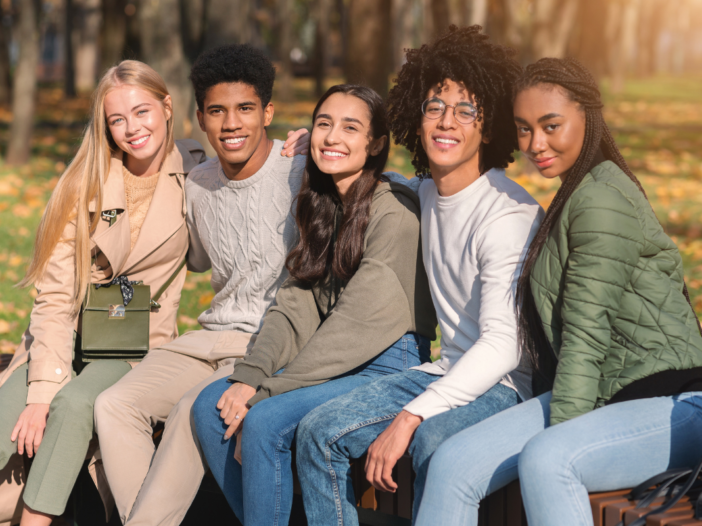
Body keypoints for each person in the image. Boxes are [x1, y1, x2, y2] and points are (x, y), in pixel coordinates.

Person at [414, 57, 702, 526]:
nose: (535, 144)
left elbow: (586, 341)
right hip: (607, 394)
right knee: (452, 463)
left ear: (588, 116)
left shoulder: (601, 200)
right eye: (524, 129)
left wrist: (564, 435)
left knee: (550, 460)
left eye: (551, 126)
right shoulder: (578, 190)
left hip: (670, 405)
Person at [295, 25, 544, 526]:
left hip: (506, 384)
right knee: (317, 434)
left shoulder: (507, 215)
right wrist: (314, 146)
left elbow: (502, 347)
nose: (446, 122)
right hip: (444, 370)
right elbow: (377, 178)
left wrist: (413, 415)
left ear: (487, 127)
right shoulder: (423, 193)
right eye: (435, 107)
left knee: (432, 437)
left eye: (465, 110)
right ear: (417, 116)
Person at [191, 83, 436, 526]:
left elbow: (355, 325)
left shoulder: (393, 214)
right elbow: (294, 303)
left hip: (386, 364)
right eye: (324, 124)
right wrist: (249, 376)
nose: (332, 137)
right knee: (212, 406)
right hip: (334, 360)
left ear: (375, 143)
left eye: (350, 127)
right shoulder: (324, 206)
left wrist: (265, 392)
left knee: (264, 421)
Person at [92, 44, 310, 526]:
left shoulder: (301, 171)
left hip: (268, 344)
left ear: (268, 112)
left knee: (194, 411)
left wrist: (318, 139)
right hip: (207, 337)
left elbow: (374, 175)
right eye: (217, 111)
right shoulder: (197, 182)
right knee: (114, 404)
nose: (231, 123)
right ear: (200, 119)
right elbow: (184, 253)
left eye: (246, 109)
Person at [0, 60, 207, 526]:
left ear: (167, 106)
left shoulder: (195, 168)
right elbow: (53, 298)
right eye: (117, 119)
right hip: (64, 336)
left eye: (142, 112)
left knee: (75, 404)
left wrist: (291, 148)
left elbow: (248, 163)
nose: (132, 129)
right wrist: (39, 391)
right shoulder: (84, 182)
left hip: (135, 342)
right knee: (9, 418)